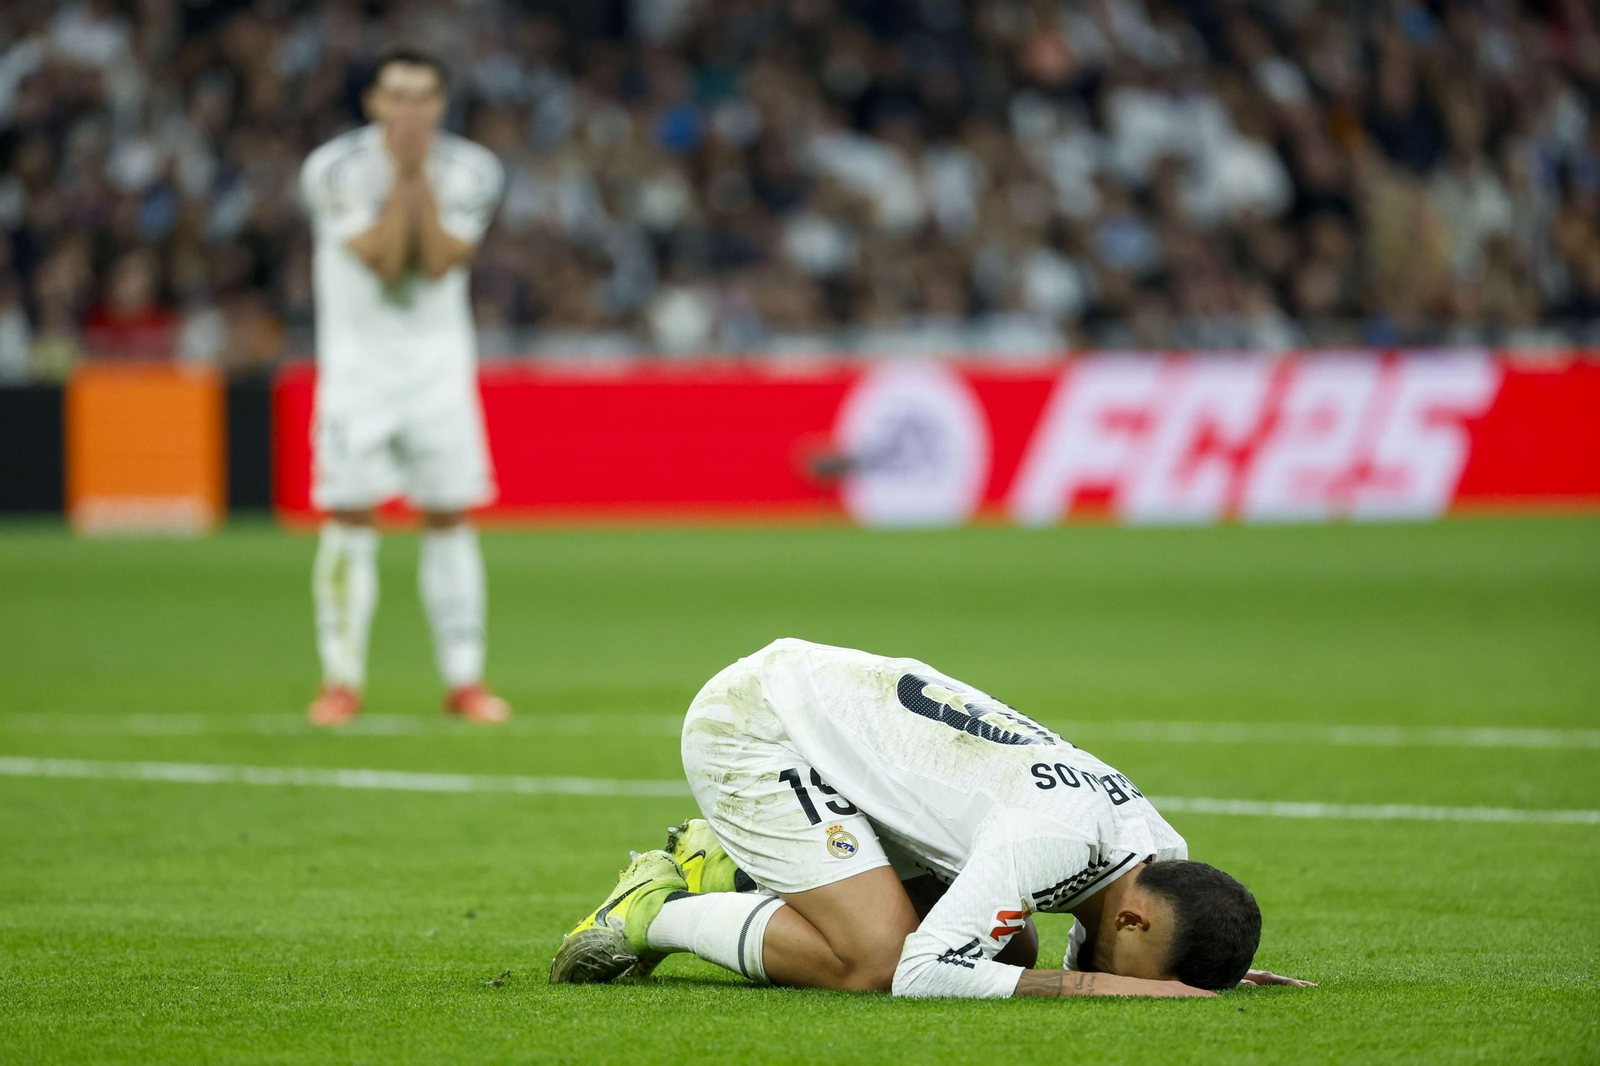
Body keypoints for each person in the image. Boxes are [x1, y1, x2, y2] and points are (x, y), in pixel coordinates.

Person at [550, 638, 1313, 997]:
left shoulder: (1156, 849)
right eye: (1149, 972)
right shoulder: (1051, 839)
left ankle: (726, 863)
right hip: (758, 725)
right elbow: (918, 976)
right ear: (1139, 922)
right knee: (876, 958)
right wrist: (1112, 990)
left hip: (849, 735)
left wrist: (1218, 976)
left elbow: (1086, 940)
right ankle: (658, 909)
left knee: (1008, 955)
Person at [298, 48, 508, 726]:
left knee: (449, 514)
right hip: (358, 372)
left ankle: (464, 680)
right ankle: (341, 682)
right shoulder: (332, 169)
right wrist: (411, 176)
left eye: (423, 96)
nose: (410, 110)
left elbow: (442, 261)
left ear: (441, 104)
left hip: (440, 371)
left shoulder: (475, 169)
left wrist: (416, 172)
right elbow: (389, 263)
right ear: (374, 104)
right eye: (397, 95)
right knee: (350, 516)